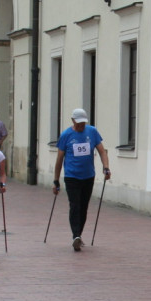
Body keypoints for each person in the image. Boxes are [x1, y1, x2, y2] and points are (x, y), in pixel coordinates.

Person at [52, 108, 110, 251]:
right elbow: (59, 159)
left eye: (83, 123)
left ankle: (79, 234)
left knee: (83, 206)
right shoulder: (66, 135)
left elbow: (102, 151)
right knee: (75, 204)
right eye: (78, 123)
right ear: (73, 121)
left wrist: (106, 167)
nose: (81, 126)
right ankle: (75, 235)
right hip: (72, 176)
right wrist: (56, 180)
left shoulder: (92, 132)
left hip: (88, 176)